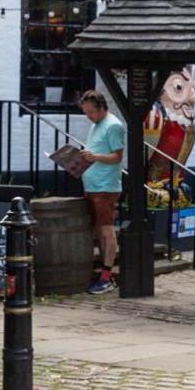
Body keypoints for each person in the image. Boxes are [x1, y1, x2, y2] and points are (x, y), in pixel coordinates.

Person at [78, 89, 124, 295]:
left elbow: (116, 157)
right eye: (86, 113)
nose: (88, 117)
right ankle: (104, 272)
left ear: (101, 107)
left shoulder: (113, 125)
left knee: (106, 230)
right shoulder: (96, 124)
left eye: (90, 113)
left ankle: (107, 276)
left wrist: (94, 157)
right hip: (92, 185)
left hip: (105, 187)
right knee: (99, 230)